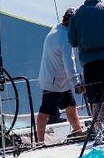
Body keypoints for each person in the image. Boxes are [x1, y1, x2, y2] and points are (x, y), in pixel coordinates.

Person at [37, 8, 86, 143]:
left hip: (55, 79)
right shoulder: (65, 37)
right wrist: (76, 82)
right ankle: (40, 142)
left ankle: (77, 131)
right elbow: (68, 61)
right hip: (55, 82)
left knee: (70, 104)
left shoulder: (56, 29)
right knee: (45, 111)